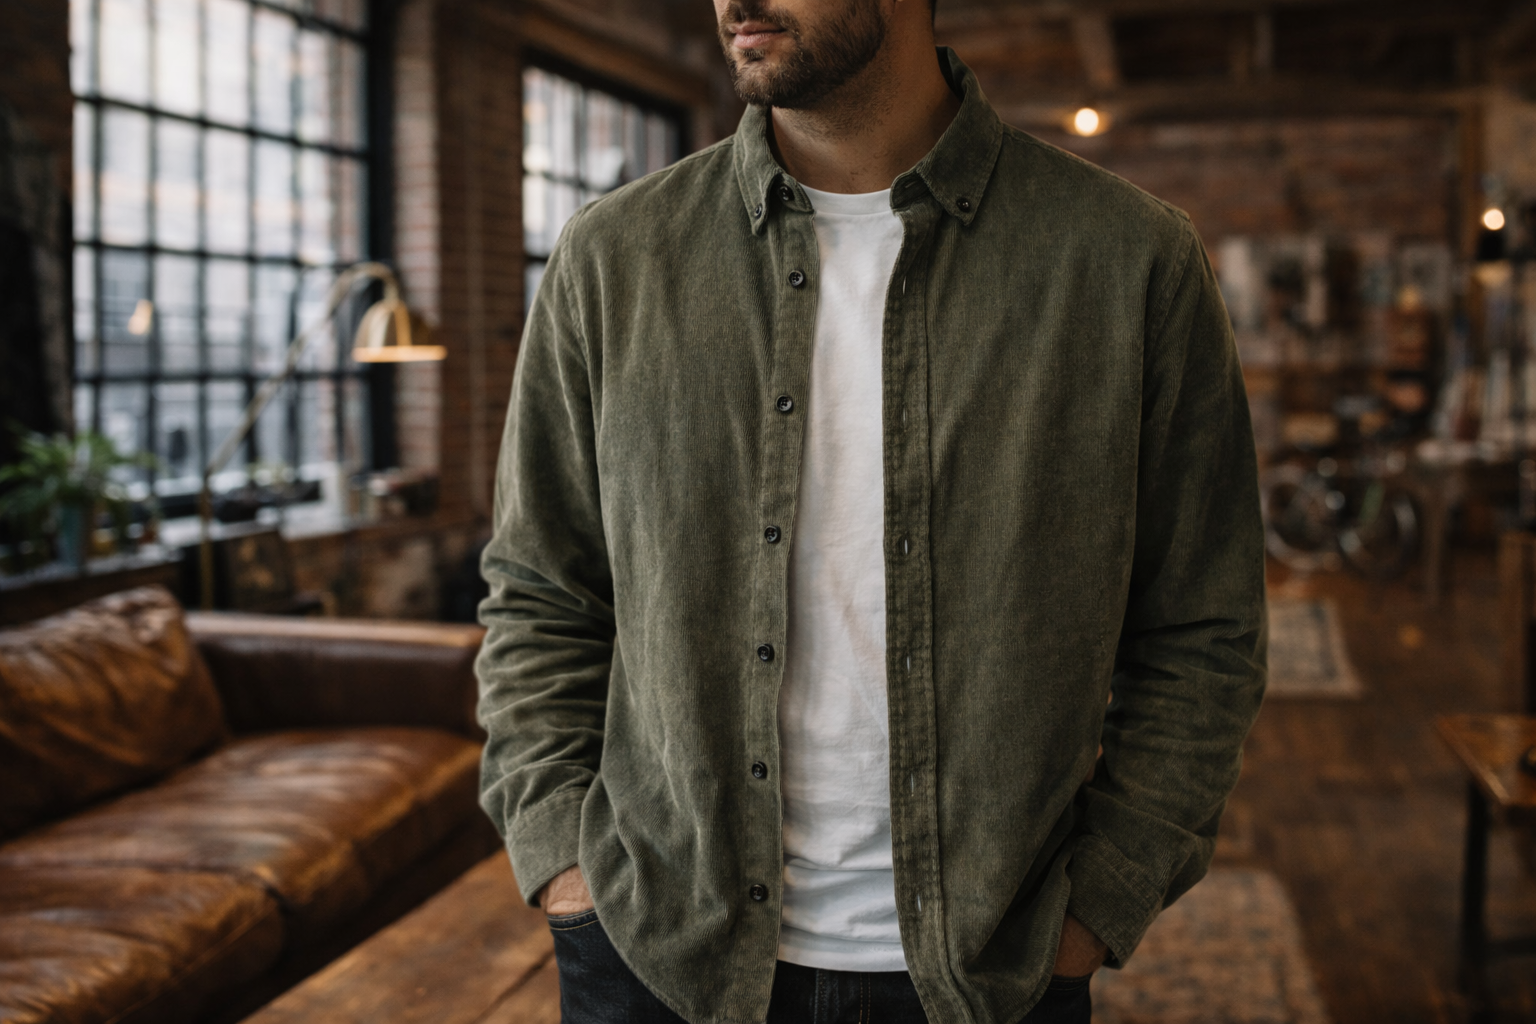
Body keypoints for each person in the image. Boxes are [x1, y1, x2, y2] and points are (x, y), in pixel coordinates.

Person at [475, 0, 1267, 1020]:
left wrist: (1098, 904)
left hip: (989, 972)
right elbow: (540, 592)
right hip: (656, 955)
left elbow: (1204, 629)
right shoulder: (611, 260)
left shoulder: (1128, 261)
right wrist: (560, 865)